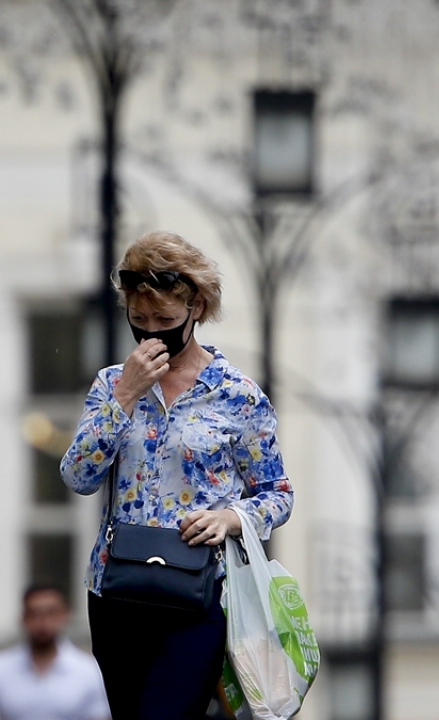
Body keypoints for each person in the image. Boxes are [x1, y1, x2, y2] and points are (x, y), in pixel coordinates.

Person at [59, 230, 295, 720]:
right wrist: (126, 394)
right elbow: (78, 475)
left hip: (200, 591)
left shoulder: (238, 395)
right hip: (117, 590)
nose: (151, 332)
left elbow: (277, 494)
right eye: (139, 319)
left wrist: (230, 517)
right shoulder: (112, 383)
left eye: (165, 319)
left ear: (197, 309)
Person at [0, 585, 111, 720]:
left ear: (64, 616)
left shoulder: (88, 670)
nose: (42, 623)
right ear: (24, 618)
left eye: (50, 613)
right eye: (35, 614)